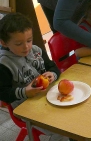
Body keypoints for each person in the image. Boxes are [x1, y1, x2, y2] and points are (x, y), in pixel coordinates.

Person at [0, 13, 68, 141]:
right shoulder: (4, 64)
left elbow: (53, 67)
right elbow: (3, 94)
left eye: (29, 40)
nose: (26, 47)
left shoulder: (36, 50)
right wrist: (25, 92)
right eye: (18, 43)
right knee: (61, 130)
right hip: (25, 107)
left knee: (72, 116)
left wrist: (52, 74)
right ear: (4, 43)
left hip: (47, 97)